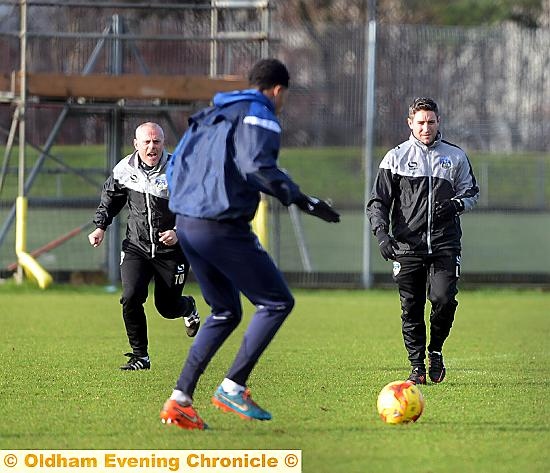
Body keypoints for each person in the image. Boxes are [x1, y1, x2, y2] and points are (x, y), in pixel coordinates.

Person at [159, 58, 340, 430]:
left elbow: (175, 165)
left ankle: (180, 400)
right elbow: (255, 166)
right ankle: (233, 386)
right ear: (277, 90)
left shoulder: (211, 113)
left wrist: (186, 207)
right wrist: (302, 199)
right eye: (284, 97)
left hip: (187, 222)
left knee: (225, 311)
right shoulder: (260, 113)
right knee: (276, 301)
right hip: (220, 224)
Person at [366, 97, 479, 385]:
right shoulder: (395, 158)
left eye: (430, 122)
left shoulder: (455, 156)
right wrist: (381, 234)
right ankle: (417, 366)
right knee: (411, 308)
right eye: (420, 122)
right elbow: (377, 201)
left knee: (443, 299)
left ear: (438, 122)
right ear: (410, 124)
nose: (426, 127)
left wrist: (456, 205)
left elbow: (472, 192)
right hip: (407, 247)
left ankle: (436, 351)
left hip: (444, 244)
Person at [88, 122, 200, 371]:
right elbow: (110, 199)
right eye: (147, 142)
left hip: (171, 251)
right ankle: (141, 357)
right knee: (130, 297)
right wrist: (100, 227)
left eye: (157, 141)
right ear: (136, 144)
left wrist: (178, 232)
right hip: (136, 247)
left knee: (167, 307)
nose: (152, 147)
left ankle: (188, 306)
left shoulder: (179, 169)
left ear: (163, 143)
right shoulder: (125, 169)